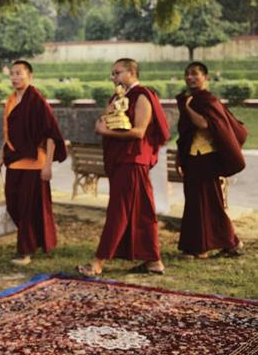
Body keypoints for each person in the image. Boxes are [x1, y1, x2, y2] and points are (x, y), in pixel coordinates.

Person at [78, 58, 169, 276]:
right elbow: (104, 120)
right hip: (123, 161)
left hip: (133, 161)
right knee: (141, 211)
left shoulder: (143, 96)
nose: (113, 78)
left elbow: (139, 132)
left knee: (118, 211)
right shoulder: (120, 97)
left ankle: (98, 261)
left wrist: (104, 132)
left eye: (117, 73)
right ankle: (153, 262)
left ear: (131, 72)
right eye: (112, 74)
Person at [0, 60, 67, 265]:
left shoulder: (36, 100)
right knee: (13, 204)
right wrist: (1, 158)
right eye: (13, 74)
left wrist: (48, 165)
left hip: (35, 163)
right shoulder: (11, 100)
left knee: (27, 208)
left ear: (30, 76)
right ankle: (33, 240)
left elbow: (51, 134)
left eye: (20, 73)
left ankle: (24, 251)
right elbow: (9, 134)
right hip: (15, 161)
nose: (15, 77)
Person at [175, 62, 247, 258]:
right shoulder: (189, 99)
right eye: (187, 74)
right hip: (192, 158)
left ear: (205, 77)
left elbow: (204, 124)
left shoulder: (208, 100)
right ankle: (200, 246)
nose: (190, 78)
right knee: (195, 204)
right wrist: (179, 159)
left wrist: (188, 108)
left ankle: (226, 242)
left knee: (210, 203)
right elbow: (184, 133)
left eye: (195, 74)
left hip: (207, 157)